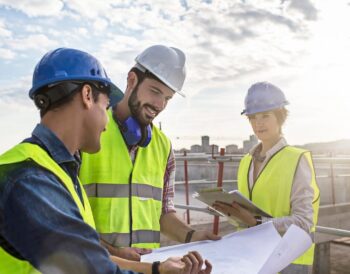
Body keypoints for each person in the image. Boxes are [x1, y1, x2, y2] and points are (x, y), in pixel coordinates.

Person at [0, 47, 212, 274]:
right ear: (87, 96)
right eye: (105, 105)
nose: (160, 105)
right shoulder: (33, 176)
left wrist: (165, 260)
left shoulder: (57, 167)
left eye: (167, 98)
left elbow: (85, 254)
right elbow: (86, 263)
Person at [79, 45, 221, 261]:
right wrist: (112, 252)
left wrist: (193, 236)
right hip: (95, 266)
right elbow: (65, 217)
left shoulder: (163, 146)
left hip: (149, 267)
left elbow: (164, 213)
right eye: (155, 91)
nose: (160, 104)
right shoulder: (88, 132)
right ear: (131, 80)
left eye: (167, 98)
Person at [213, 82, 320, 274]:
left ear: (280, 117)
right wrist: (232, 213)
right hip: (251, 258)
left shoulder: (297, 159)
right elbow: (246, 217)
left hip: (288, 260)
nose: (258, 123)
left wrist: (258, 223)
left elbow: (304, 222)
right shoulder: (246, 162)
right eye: (253, 117)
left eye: (265, 116)